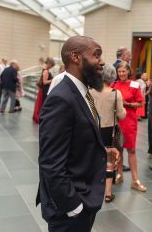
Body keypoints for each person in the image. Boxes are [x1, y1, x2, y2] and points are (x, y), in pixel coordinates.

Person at [36, 36, 119, 232]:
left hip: (82, 197)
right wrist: (73, 206)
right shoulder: (62, 98)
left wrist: (103, 151)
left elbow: (75, 138)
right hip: (70, 209)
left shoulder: (81, 92)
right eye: (96, 55)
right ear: (75, 57)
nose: (102, 61)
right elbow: (50, 162)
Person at [91, 64, 126, 203]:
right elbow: (122, 115)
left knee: (93, 159)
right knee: (109, 161)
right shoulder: (116, 93)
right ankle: (108, 193)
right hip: (109, 130)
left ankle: (93, 189)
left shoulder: (91, 91)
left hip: (94, 129)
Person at [112, 61, 147, 192]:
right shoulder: (113, 84)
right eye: (119, 71)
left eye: (123, 71)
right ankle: (119, 174)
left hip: (129, 121)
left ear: (128, 71)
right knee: (118, 149)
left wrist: (128, 104)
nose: (121, 73)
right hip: (116, 121)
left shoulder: (134, 85)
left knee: (131, 150)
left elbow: (140, 103)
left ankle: (135, 180)